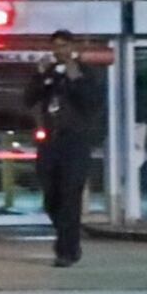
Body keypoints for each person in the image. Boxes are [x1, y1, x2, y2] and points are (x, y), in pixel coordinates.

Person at [31, 34, 99, 266]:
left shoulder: (85, 73)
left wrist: (76, 79)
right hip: (50, 142)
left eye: (64, 46)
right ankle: (66, 234)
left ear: (73, 47)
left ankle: (67, 251)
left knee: (70, 196)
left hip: (75, 142)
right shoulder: (50, 73)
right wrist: (39, 76)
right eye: (55, 46)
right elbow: (29, 99)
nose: (59, 50)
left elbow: (91, 103)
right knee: (51, 197)